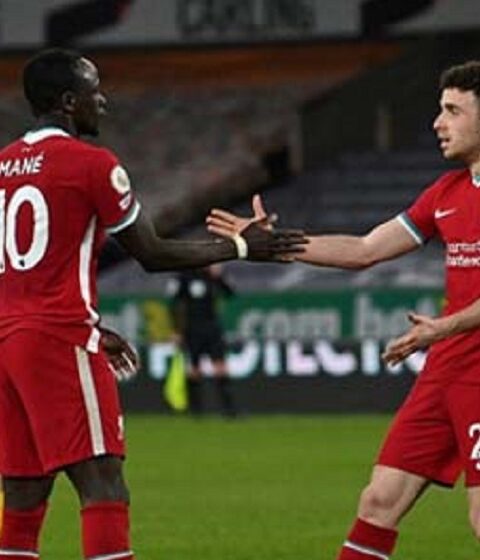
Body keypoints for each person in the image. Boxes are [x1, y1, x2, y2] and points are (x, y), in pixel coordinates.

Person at [0, 48, 306, 560]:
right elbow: (153, 252)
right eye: (94, 91)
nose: (103, 101)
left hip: (8, 342)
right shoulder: (93, 164)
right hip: (57, 337)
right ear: (69, 102)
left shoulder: (4, 164)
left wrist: (84, 327)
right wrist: (240, 246)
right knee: (104, 484)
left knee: (24, 496)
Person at [206, 60, 480, 558]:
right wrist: (276, 244)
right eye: (440, 110)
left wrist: (443, 327)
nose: (438, 123)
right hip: (447, 368)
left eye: (453, 111)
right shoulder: (446, 193)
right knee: (379, 502)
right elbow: (365, 249)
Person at [168, 264, 237, 417]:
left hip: (212, 328)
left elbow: (230, 293)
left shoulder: (212, 276)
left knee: (220, 366)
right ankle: (196, 411)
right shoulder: (185, 277)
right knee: (194, 369)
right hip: (192, 329)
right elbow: (174, 304)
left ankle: (229, 410)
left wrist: (219, 277)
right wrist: (176, 330)